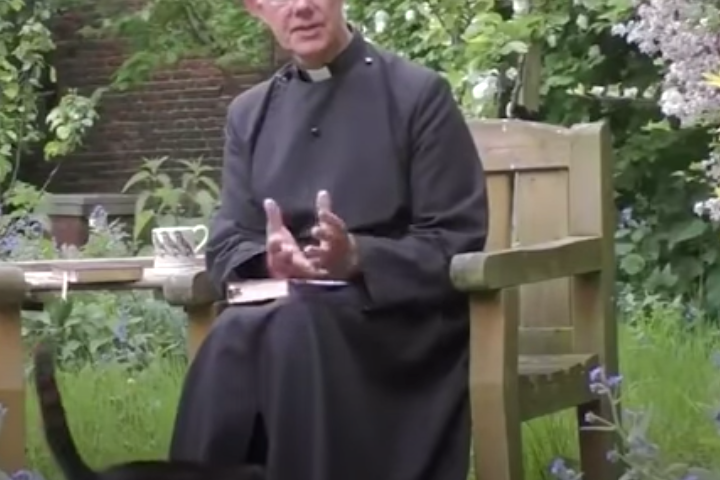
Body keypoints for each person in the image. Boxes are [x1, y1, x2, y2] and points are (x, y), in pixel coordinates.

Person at [166, 0, 489, 479]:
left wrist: (358, 256)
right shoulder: (249, 114)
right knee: (234, 332)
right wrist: (271, 263)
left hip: (396, 330)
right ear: (256, 9)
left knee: (293, 326)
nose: (300, 7)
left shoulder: (418, 95)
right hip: (290, 315)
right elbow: (230, 236)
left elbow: (455, 238)